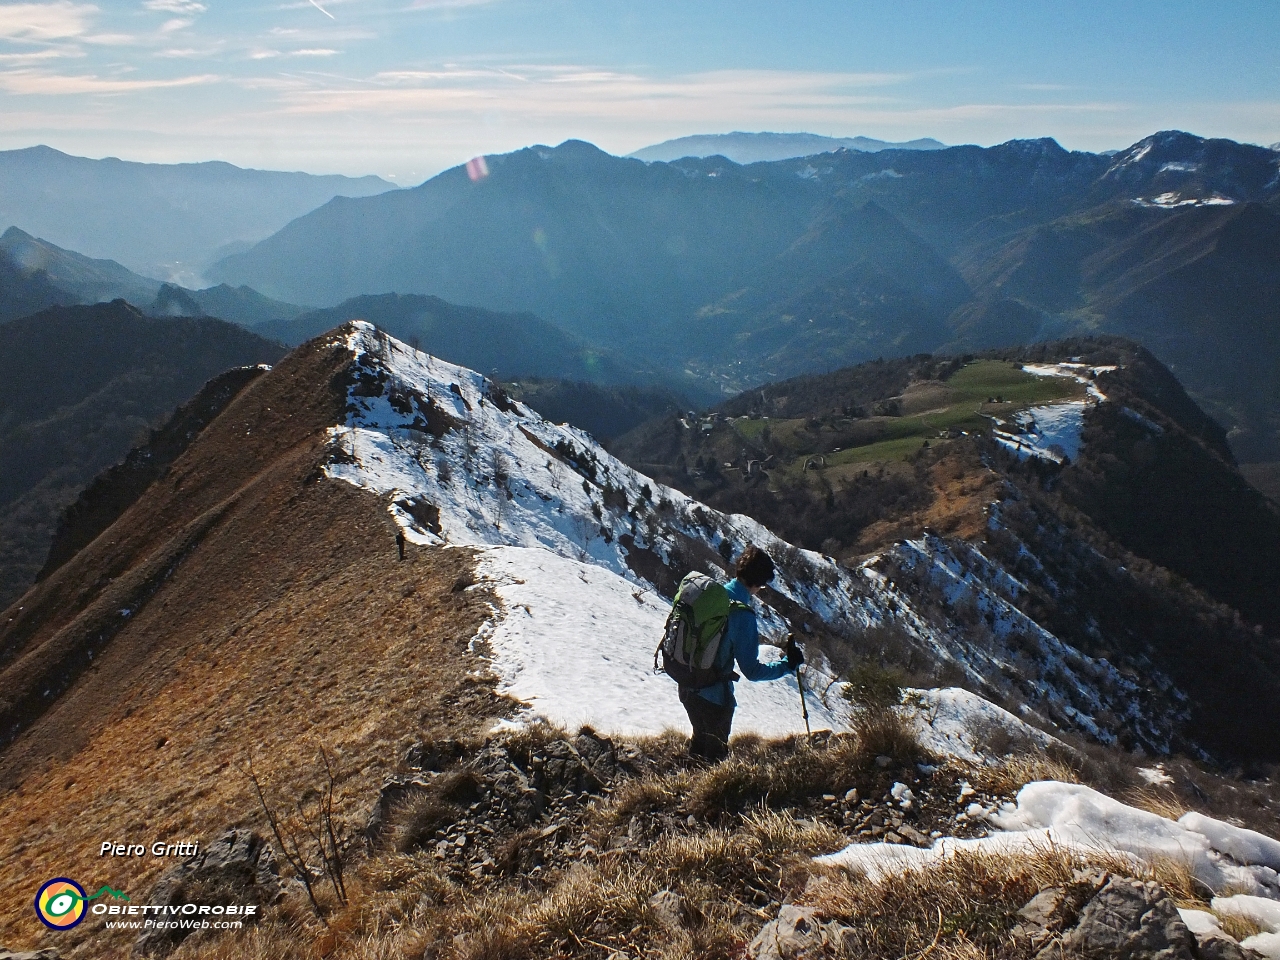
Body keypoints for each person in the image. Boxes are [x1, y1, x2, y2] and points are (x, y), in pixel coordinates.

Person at [679, 545, 804, 761]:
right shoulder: (741, 615)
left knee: (699, 739)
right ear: (758, 584)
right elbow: (752, 671)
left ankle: (686, 785)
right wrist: (787, 665)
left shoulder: (711, 594)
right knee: (715, 757)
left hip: (686, 684)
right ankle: (706, 791)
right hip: (715, 697)